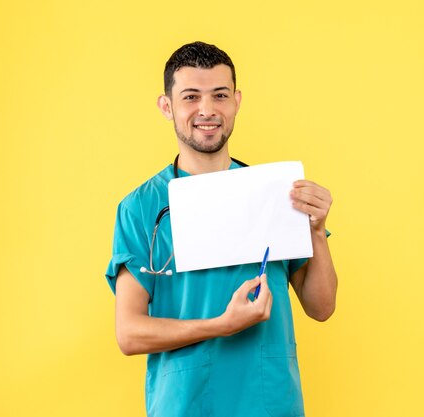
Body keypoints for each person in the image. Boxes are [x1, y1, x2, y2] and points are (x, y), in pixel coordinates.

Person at [105, 41, 337, 417]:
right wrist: (220, 325)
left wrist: (316, 231)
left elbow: (322, 307)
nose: (207, 110)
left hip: (269, 402)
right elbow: (129, 334)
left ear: (237, 101)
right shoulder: (141, 208)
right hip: (184, 404)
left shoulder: (277, 192)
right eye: (191, 96)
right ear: (167, 106)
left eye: (220, 95)